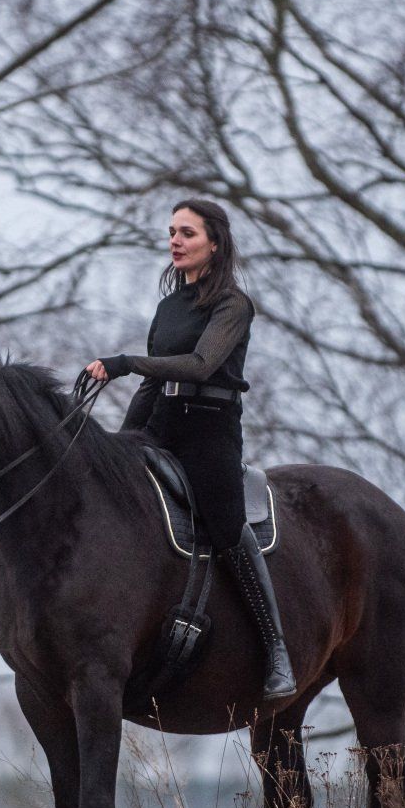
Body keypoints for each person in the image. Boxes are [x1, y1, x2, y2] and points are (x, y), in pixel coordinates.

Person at [85, 199, 296, 702]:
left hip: (210, 429)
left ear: (215, 243)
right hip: (162, 422)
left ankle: (277, 651)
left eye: (187, 233)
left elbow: (201, 366)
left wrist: (124, 362)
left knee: (225, 524)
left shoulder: (233, 306)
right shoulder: (168, 308)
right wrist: (118, 442)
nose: (175, 241)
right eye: (172, 232)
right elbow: (154, 383)